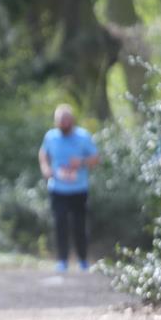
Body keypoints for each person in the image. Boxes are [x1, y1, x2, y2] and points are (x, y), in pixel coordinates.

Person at [38, 104, 99, 272]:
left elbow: (96, 158)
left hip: (79, 189)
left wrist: (81, 162)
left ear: (72, 120)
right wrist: (45, 168)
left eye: (67, 120)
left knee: (79, 225)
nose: (64, 124)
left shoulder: (83, 136)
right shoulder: (51, 137)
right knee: (60, 224)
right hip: (57, 189)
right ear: (56, 122)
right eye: (60, 121)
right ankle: (62, 260)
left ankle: (82, 260)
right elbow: (43, 153)